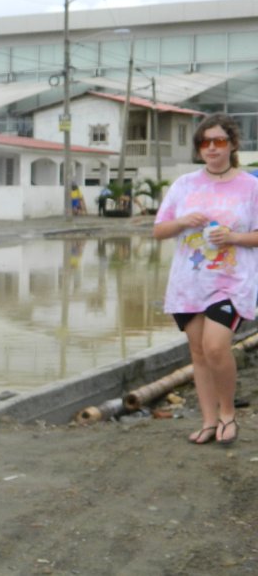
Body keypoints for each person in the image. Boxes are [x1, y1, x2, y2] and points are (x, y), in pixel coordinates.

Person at [153, 113, 258, 447]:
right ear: (199, 148)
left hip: (231, 281)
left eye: (219, 141)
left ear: (232, 144)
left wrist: (233, 237)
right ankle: (209, 421)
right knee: (198, 353)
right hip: (189, 283)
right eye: (205, 142)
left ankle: (227, 413)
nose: (212, 148)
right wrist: (183, 220)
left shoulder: (251, 187)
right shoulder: (184, 185)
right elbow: (158, 231)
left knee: (215, 347)